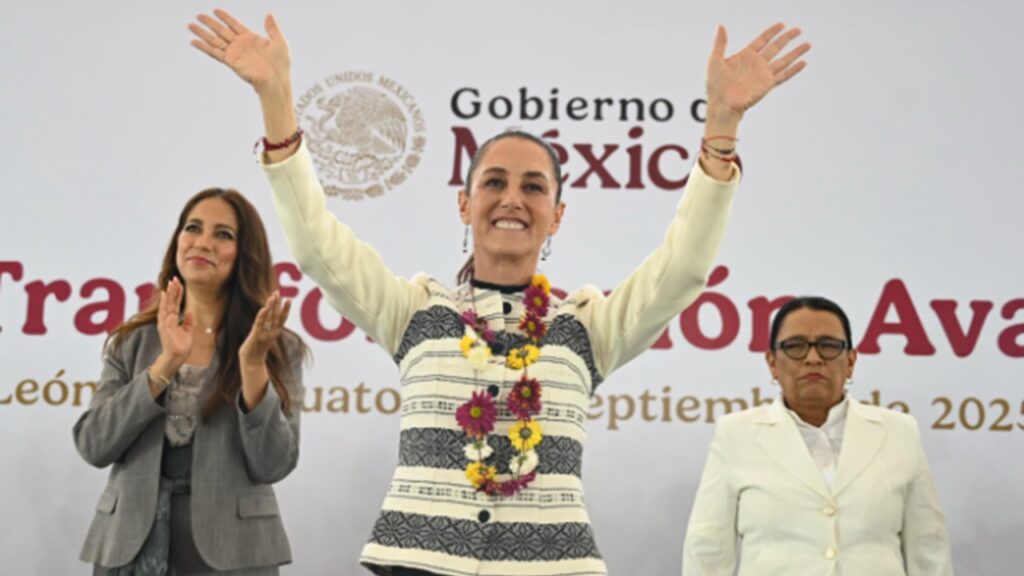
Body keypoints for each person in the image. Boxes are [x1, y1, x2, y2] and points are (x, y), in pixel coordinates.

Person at [189, 9, 809, 576]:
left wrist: (722, 129)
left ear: (557, 215)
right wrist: (276, 99)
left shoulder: (588, 327)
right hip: (418, 564)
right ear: (465, 204)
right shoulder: (413, 311)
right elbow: (316, 244)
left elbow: (683, 270)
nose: (512, 199)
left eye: (534, 187)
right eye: (494, 183)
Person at [73, 188, 308, 575]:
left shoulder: (276, 346)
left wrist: (252, 366)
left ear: (245, 253)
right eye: (193, 228)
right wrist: (165, 364)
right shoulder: (132, 342)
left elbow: (273, 464)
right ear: (177, 240)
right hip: (128, 546)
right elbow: (93, 445)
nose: (203, 242)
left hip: (234, 550)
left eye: (223, 234)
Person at [682, 297, 954, 575]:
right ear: (772, 363)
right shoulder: (737, 434)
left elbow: (929, 548)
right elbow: (707, 550)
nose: (813, 358)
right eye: (795, 346)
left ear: (850, 361)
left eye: (828, 346)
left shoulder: (899, 431)